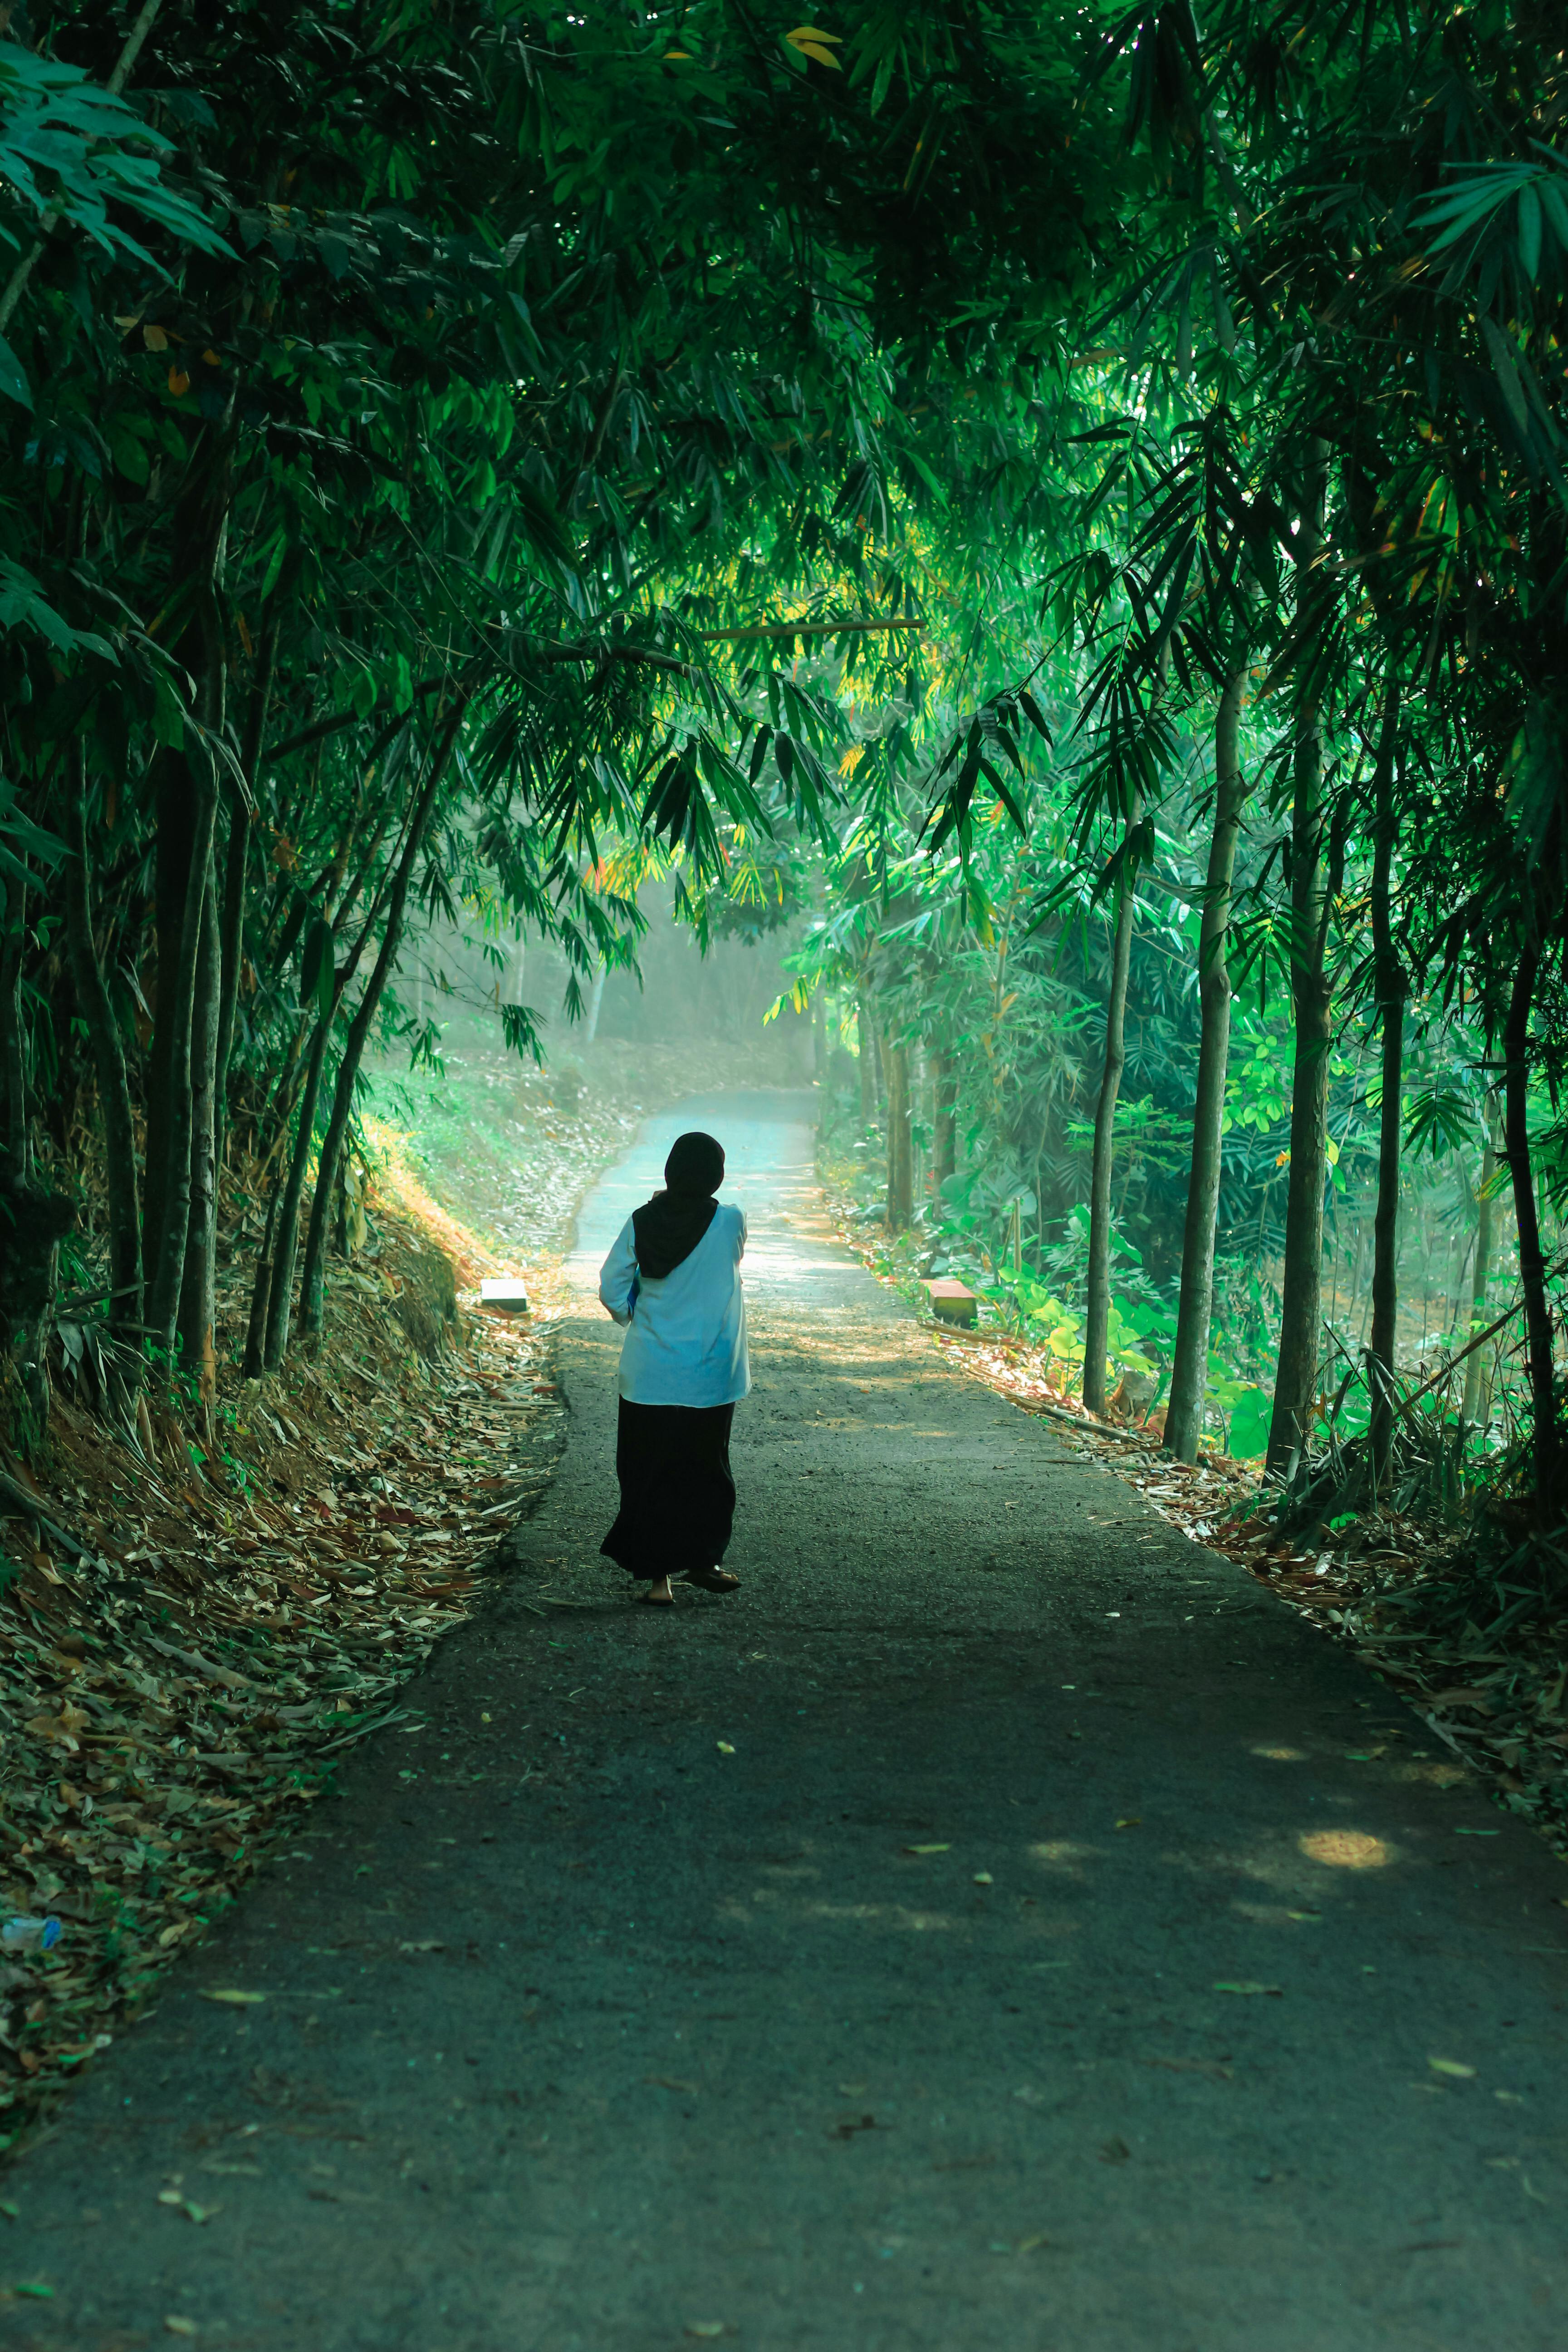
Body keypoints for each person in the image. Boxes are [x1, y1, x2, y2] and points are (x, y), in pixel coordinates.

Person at [597, 1129, 749, 1606]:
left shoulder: (642, 1221)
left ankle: (659, 1580)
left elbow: (611, 1287)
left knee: (648, 1471)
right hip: (711, 1374)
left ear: (670, 1170)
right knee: (705, 1468)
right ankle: (706, 1560)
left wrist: (632, 1315)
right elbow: (725, 1257)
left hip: (650, 1371)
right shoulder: (731, 1222)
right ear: (716, 1176)